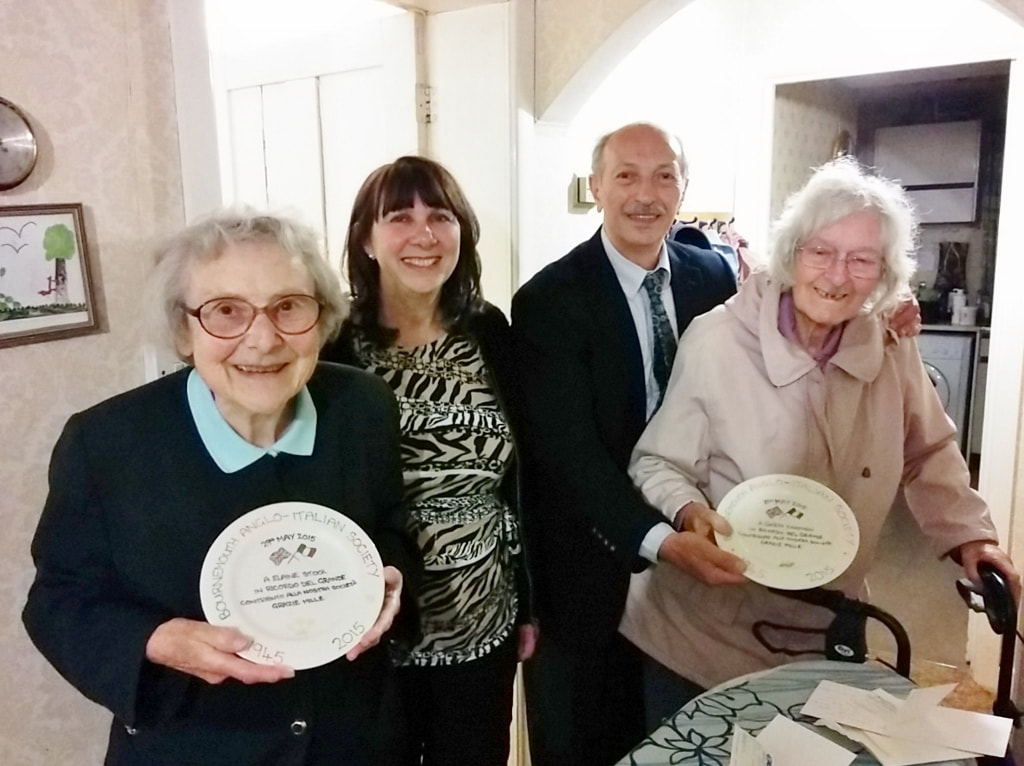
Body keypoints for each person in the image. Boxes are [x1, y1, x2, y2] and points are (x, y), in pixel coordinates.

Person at [622, 157, 1020, 722]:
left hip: (828, 622)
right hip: (703, 628)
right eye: (821, 252)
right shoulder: (717, 340)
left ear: (884, 274)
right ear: (791, 253)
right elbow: (658, 462)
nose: (837, 276)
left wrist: (972, 539)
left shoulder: (891, 347)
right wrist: (689, 513)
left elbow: (929, 451)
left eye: (862, 260)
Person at [22, 211, 421, 765]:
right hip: (196, 745)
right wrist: (155, 641)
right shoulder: (107, 442)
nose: (262, 340)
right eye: (225, 311)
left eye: (289, 307)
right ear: (184, 330)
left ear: (322, 318)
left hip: (354, 742)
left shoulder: (363, 408)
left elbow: (391, 526)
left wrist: (393, 579)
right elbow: (58, 600)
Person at [511, 122, 738, 766]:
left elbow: (786, 329)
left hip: (697, 568)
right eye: (626, 176)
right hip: (591, 568)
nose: (646, 194)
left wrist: (879, 312)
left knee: (679, 738)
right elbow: (568, 455)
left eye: (664, 175)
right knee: (584, 740)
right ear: (597, 188)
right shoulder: (549, 301)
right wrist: (659, 541)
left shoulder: (715, 278)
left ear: (683, 188)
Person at [321, 155, 536, 766]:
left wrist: (527, 601)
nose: (424, 234)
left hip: (481, 621)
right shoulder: (333, 344)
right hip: (373, 630)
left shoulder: (489, 331)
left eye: (440, 216)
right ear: (366, 237)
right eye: (399, 217)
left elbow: (518, 482)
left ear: (461, 231)